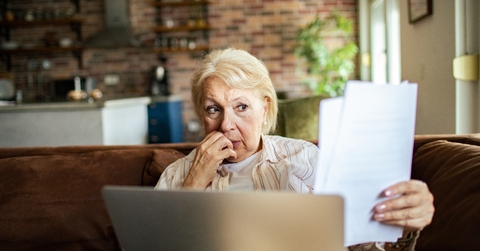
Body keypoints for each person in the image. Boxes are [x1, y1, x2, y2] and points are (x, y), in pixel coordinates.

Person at [155, 47, 434, 250]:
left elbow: (364, 244)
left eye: (241, 107)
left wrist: (405, 225)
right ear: (200, 114)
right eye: (213, 109)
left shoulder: (305, 158)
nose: (227, 124)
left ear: (264, 109)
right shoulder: (177, 174)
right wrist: (194, 183)